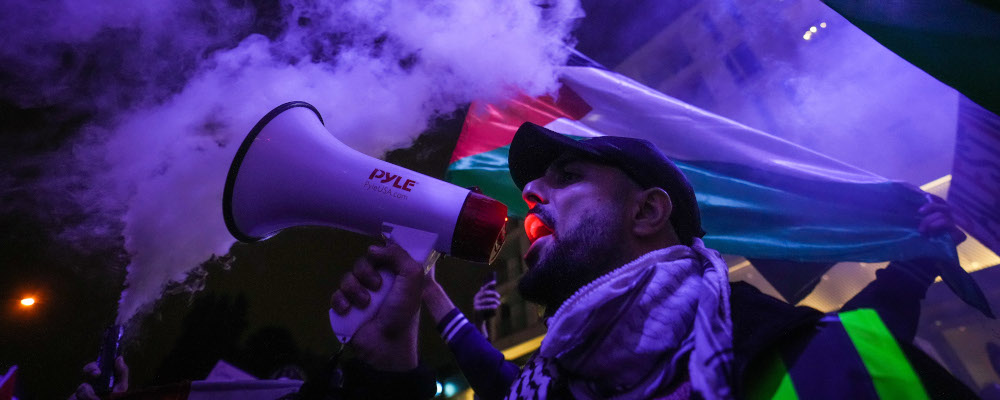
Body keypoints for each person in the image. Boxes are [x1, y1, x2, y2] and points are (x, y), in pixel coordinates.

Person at [329, 121, 734, 399]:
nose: (529, 193)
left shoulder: (769, 349)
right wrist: (394, 357)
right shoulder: (554, 376)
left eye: (569, 176)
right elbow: (503, 383)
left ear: (646, 213)